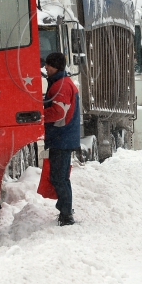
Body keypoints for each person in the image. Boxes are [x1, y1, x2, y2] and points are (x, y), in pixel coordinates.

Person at [43, 52, 80, 226]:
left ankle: (66, 215)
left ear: (56, 66)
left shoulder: (62, 86)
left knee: (59, 177)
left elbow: (58, 112)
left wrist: (39, 115)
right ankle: (66, 211)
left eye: (48, 65)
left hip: (61, 137)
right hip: (63, 137)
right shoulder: (62, 83)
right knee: (62, 177)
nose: (45, 67)